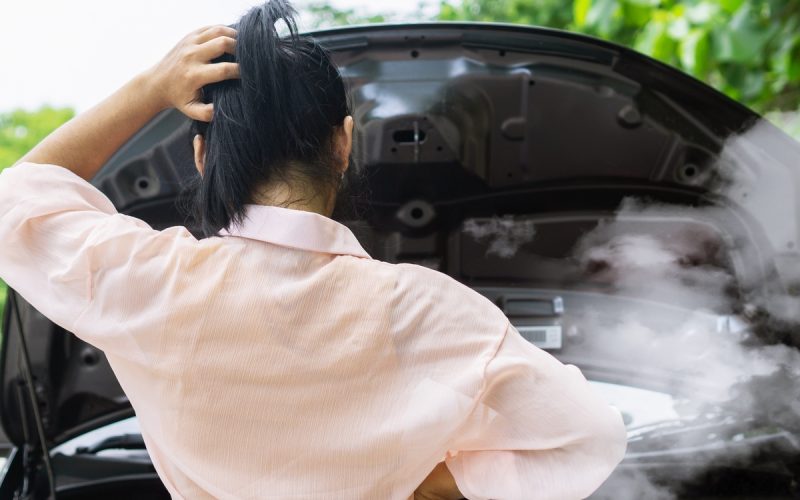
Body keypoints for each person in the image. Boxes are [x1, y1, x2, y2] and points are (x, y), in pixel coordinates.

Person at [0, 1, 627, 498]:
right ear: (344, 144)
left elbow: (15, 203)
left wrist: (148, 89)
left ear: (200, 156)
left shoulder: (151, 283)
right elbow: (589, 437)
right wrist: (435, 489)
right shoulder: (427, 309)